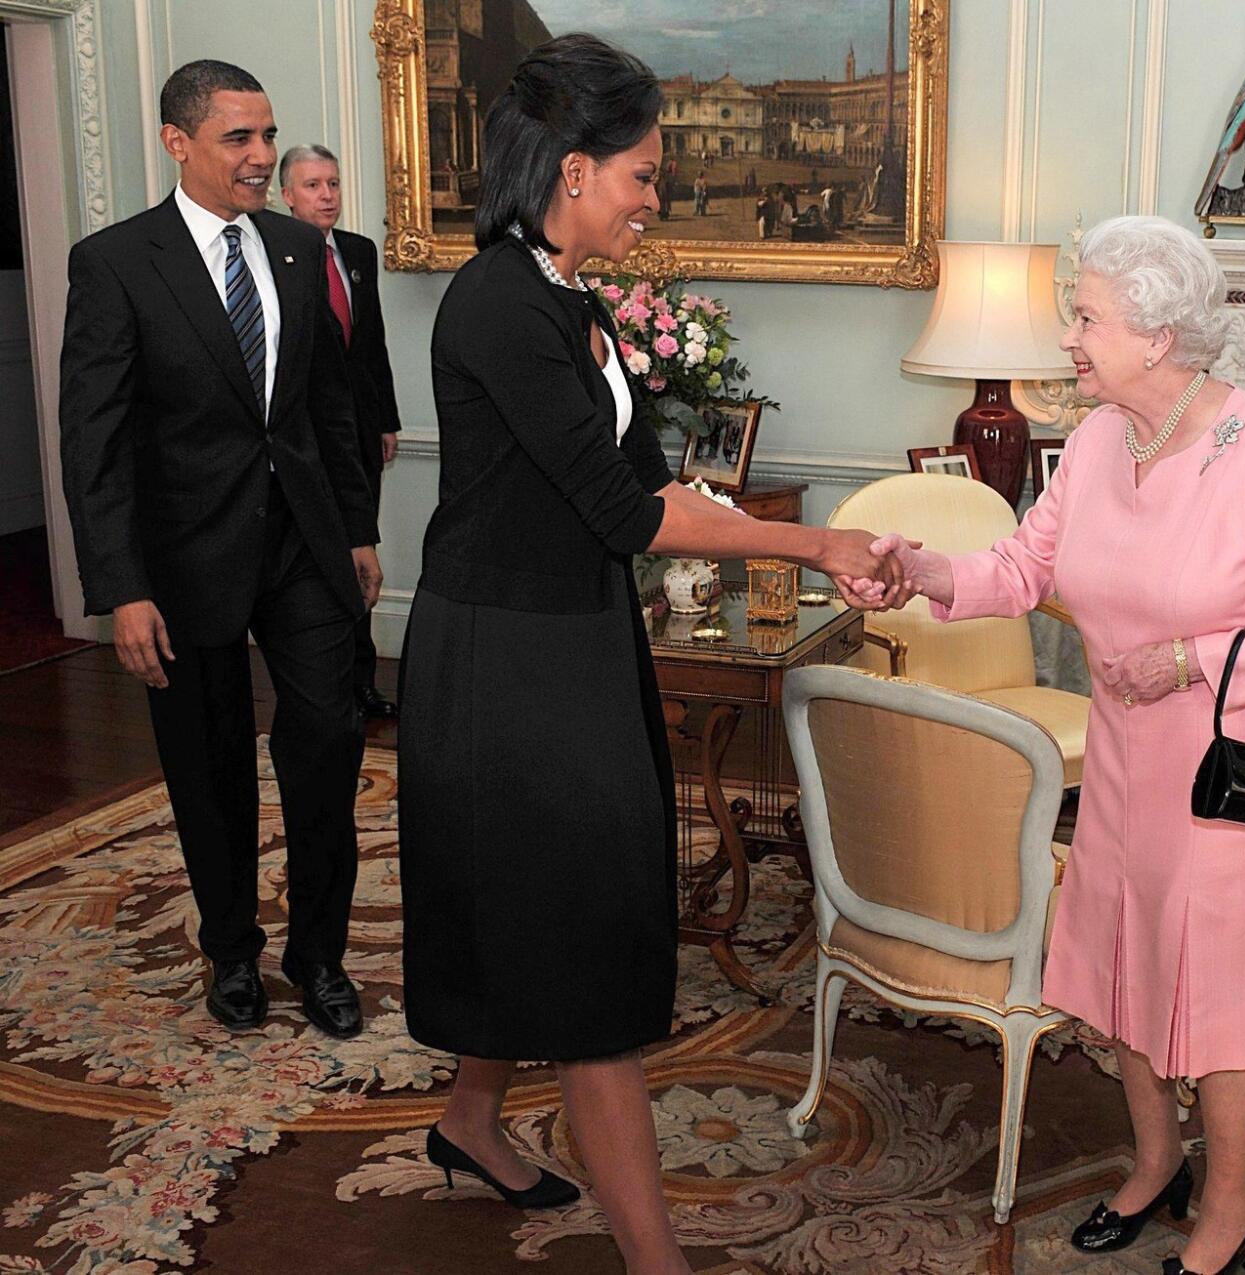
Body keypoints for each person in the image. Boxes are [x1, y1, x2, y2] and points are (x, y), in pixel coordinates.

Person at [396, 34, 896, 1275]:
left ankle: (468, 1119)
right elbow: (627, 515)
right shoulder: (500, 304)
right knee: (578, 945)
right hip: (507, 658)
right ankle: (654, 1260)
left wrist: (749, 527)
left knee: (537, 906)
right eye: (643, 175)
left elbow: (626, 479)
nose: (652, 198)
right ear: (573, 170)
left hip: (571, 638)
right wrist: (818, 546)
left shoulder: (565, 297)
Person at [866, 214, 1245, 1275]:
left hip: (1223, 769)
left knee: (1218, 997)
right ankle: (1152, 1163)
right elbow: (1022, 567)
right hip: (1124, 760)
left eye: (1085, 317)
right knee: (1128, 967)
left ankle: (1228, 1205)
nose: (1068, 339)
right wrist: (924, 569)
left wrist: (1188, 660)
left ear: (1155, 334)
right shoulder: (1095, 441)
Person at [58, 59, 379, 1041]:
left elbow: (330, 405)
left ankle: (318, 955)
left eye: (267, 134)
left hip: (304, 547)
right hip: (183, 560)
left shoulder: (296, 246)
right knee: (208, 764)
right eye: (238, 137)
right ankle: (231, 951)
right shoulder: (115, 261)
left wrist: (358, 527)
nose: (261, 156)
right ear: (177, 142)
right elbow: (95, 441)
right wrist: (122, 588)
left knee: (326, 737)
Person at [279, 143, 403, 720]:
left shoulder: (357, 251)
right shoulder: (275, 257)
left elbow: (370, 343)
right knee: (322, 561)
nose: (326, 195)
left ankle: (362, 681)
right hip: (305, 440)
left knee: (362, 553)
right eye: (312, 185)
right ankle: (324, 682)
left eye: (332, 183)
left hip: (359, 433)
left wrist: (386, 419)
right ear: (286, 195)